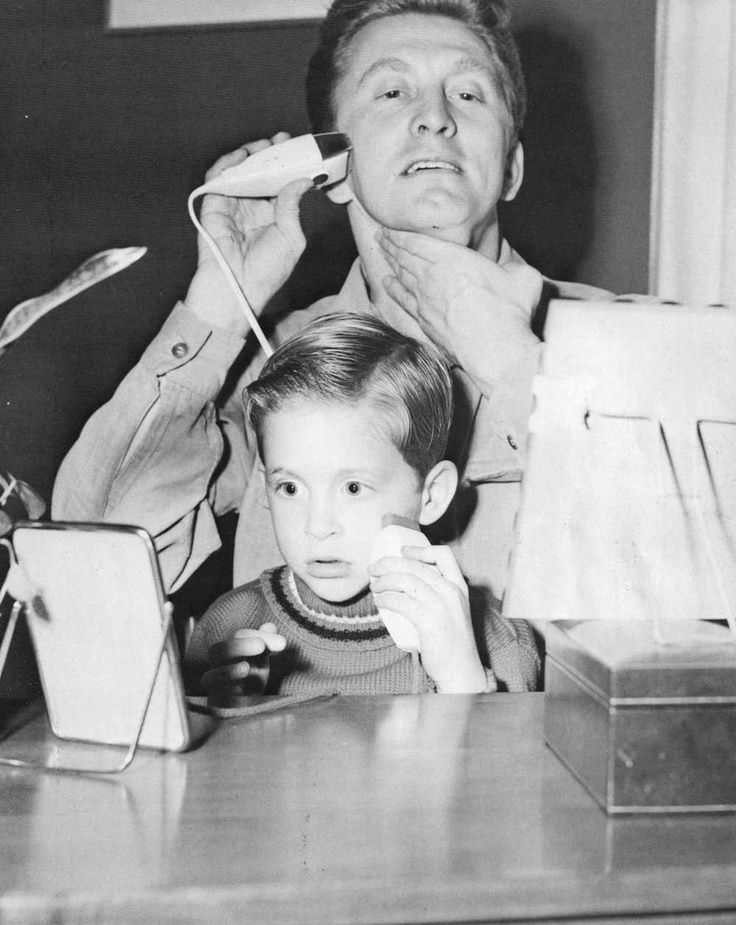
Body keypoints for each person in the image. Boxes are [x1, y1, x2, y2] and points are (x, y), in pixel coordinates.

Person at [52, 0, 612, 603]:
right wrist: (216, 307)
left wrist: (513, 367)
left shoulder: (627, 341)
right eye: (393, 93)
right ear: (333, 168)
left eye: (469, 95)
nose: (435, 118)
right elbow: (92, 565)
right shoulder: (277, 360)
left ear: (511, 168)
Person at [185, 312, 540, 697]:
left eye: (353, 487)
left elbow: (502, 758)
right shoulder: (229, 625)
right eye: (289, 488)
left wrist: (460, 679)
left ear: (432, 494)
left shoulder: (500, 643)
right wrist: (226, 718)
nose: (317, 526)